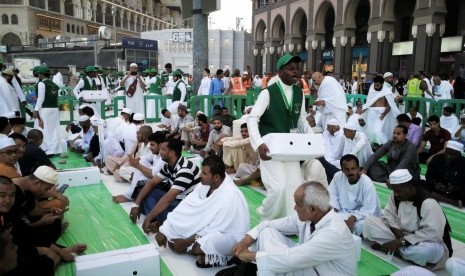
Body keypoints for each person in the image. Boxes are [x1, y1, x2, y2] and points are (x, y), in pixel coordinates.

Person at [231, 182, 357, 275]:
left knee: (279, 264)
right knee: (266, 232)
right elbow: (268, 224)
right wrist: (244, 242)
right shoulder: (309, 217)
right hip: (309, 266)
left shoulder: (333, 232)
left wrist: (247, 255)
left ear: (312, 209)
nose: (295, 208)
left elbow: (289, 260)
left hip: (321, 272)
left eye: (298, 204)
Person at [247, 54, 310, 220]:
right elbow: (252, 119)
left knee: (294, 186)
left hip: (291, 147)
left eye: (297, 69)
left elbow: (302, 119)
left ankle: (288, 221)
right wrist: (258, 143)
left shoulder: (299, 92)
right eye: (291, 69)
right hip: (270, 147)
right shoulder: (268, 93)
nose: (295, 72)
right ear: (280, 71)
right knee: (278, 188)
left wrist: (312, 138)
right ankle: (266, 219)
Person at [156, 156, 249, 268]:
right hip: (205, 229)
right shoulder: (203, 186)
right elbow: (185, 207)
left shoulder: (230, 195)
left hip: (228, 236)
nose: (200, 175)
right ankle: (201, 254)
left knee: (207, 243)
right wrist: (164, 229)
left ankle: (213, 256)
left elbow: (217, 228)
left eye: (204, 173)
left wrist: (185, 244)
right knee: (175, 230)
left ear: (216, 177)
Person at [363, 169, 451, 270]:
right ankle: (399, 250)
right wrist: (399, 237)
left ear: (409, 187)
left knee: (427, 252)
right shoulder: (396, 195)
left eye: (398, 191)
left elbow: (432, 234)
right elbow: (389, 215)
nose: (395, 194)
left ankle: (391, 249)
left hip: (425, 241)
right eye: (394, 190)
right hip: (401, 235)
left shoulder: (428, 203)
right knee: (369, 222)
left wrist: (401, 242)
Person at [130, 138, 201, 233]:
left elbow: (169, 198)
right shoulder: (169, 165)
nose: (160, 152)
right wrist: (136, 205)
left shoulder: (185, 169)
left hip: (186, 203)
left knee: (165, 208)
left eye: (163, 149)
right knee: (146, 190)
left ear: (171, 153)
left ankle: (160, 220)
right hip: (175, 198)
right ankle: (160, 219)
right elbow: (152, 183)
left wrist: (148, 218)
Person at [329, 154, 381, 236]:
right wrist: (332, 212)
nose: (350, 172)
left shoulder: (367, 183)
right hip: (344, 212)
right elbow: (332, 197)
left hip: (363, 216)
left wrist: (353, 218)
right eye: (347, 169)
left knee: (362, 226)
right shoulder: (338, 177)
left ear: (358, 168)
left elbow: (369, 209)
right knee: (329, 219)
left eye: (353, 169)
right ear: (342, 170)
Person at [112, 131, 166, 203]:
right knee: (140, 163)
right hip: (148, 174)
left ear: (160, 145)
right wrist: (135, 161)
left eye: (152, 145)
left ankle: (130, 194)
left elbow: (152, 174)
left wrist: (137, 166)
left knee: (142, 169)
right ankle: (133, 190)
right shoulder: (156, 153)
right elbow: (144, 158)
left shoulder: (165, 157)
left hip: (162, 184)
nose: (150, 147)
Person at [361, 75, 401, 147]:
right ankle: (375, 146)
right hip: (371, 112)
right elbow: (369, 102)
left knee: (377, 131)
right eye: (375, 85)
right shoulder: (372, 89)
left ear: (382, 84)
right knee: (370, 132)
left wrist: (383, 115)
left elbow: (389, 105)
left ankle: (387, 146)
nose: (376, 87)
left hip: (381, 113)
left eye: (378, 85)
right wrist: (363, 110)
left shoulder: (387, 91)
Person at [424, 141, 465, 208]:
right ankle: (452, 202)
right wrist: (435, 183)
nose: (448, 156)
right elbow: (428, 176)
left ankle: (437, 197)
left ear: (459, 154)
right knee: (419, 184)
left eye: (452, 154)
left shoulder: (463, 163)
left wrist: (454, 187)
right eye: (447, 152)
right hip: (436, 188)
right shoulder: (437, 158)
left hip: (455, 192)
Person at [33, 66, 63, 155]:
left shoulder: (42, 83)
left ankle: (47, 150)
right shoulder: (54, 84)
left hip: (45, 109)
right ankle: (56, 149)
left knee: (44, 129)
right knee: (54, 129)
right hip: (54, 109)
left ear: (41, 74)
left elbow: (41, 98)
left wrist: (36, 109)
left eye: (38, 74)